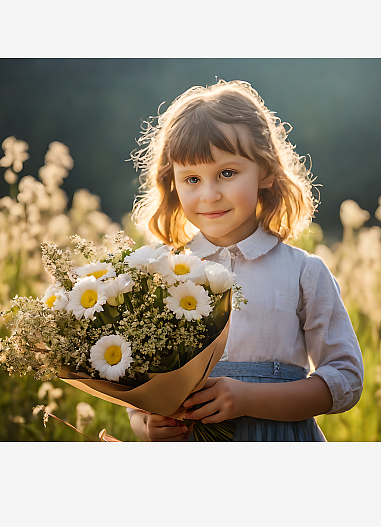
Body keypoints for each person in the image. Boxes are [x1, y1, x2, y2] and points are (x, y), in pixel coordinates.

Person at [126, 79, 363, 442]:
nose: (209, 194)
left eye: (227, 173)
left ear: (265, 171)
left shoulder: (304, 272)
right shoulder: (162, 274)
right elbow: (138, 390)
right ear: (172, 183)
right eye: (191, 178)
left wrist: (249, 398)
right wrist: (147, 425)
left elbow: (345, 379)